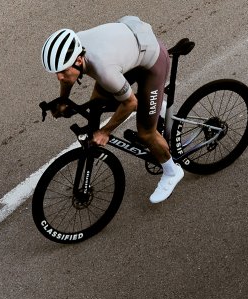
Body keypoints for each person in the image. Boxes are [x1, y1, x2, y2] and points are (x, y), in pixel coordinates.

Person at [41, 16, 183, 204]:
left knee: (146, 133)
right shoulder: (74, 47)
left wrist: (105, 131)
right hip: (129, 46)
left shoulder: (104, 70)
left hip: (152, 61)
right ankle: (153, 106)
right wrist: (63, 100)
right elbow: (69, 78)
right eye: (56, 72)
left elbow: (129, 104)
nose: (59, 77)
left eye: (63, 71)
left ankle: (172, 171)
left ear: (78, 59)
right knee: (96, 103)